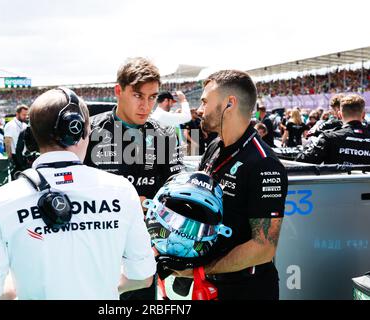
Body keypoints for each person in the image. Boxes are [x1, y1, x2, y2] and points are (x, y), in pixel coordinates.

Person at [0, 88, 155, 300]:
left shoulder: (1, 200)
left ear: (31, 137)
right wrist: (101, 286)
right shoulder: (122, 191)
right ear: (81, 131)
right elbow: (143, 276)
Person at [158, 70, 288, 300]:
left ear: (230, 104)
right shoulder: (214, 146)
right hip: (211, 284)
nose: (199, 108)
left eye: (206, 101)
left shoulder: (263, 164)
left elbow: (264, 248)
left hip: (248, 290)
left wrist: (200, 269)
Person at [84, 57, 184, 300]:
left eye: (153, 97)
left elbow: (177, 194)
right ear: (118, 91)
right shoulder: (90, 133)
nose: (146, 105)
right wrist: (127, 203)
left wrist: (151, 206)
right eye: (138, 95)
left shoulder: (164, 136)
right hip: (95, 250)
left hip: (140, 254)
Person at [296, 94, 370, 165]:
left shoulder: (328, 138)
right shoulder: (328, 137)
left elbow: (301, 162)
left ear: (339, 115)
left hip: (338, 178)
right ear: (363, 115)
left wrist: (309, 145)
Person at [4, 105, 29, 178]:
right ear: (17, 114)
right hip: (15, 156)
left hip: (24, 155)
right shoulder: (10, 125)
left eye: (26, 114)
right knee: (15, 177)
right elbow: (7, 142)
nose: (26, 116)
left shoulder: (24, 125)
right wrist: (10, 157)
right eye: (24, 115)